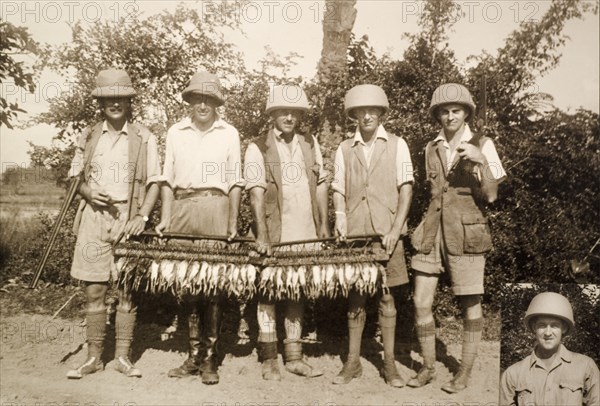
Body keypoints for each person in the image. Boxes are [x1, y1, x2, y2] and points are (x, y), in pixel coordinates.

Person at [408, 83, 506, 393]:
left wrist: (479, 159)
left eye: (456, 110)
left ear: (466, 113)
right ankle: (427, 366)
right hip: (432, 230)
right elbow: (435, 191)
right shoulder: (430, 147)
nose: (450, 116)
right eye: (445, 111)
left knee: (469, 302)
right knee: (421, 301)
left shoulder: (483, 144)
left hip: (466, 232)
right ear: (437, 115)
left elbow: (491, 195)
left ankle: (463, 371)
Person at [66, 69, 161, 379]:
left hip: (128, 218)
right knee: (94, 290)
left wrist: (141, 217)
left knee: (126, 290)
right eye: (109, 98)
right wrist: (88, 192)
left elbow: (156, 183)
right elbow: (74, 179)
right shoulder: (88, 135)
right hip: (93, 217)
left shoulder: (145, 137)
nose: (115, 103)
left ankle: (122, 357)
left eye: (121, 98)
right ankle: (93, 357)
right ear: (101, 102)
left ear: (129, 102)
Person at [157, 70, 244, 385]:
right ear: (189, 102)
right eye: (197, 98)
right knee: (188, 287)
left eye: (209, 99)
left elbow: (235, 182)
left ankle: (210, 360)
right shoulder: (175, 132)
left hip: (215, 208)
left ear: (217, 103)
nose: (203, 104)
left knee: (214, 287)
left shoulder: (229, 133)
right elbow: (167, 179)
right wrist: (166, 218)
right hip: (182, 208)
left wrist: (232, 223)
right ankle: (192, 356)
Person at [244, 84, 330, 380]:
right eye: (283, 111)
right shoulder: (259, 146)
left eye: (294, 112)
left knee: (296, 290)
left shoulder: (310, 142)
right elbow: (255, 194)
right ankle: (269, 358)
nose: (289, 117)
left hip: (304, 230)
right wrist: (262, 235)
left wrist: (323, 227)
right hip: (274, 231)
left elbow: (321, 185)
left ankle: (294, 355)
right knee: (268, 291)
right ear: (273, 114)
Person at [331, 84, 414, 388]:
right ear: (354, 115)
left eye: (372, 110)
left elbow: (407, 188)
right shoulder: (343, 148)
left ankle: (389, 364)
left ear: (381, 113)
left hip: (386, 234)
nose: (367, 116)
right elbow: (338, 188)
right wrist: (340, 218)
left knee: (388, 298)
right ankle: (352, 363)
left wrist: (395, 230)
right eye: (360, 111)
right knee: (356, 299)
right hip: (356, 234)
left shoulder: (398, 144)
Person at [500, 292, 600, 405]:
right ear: (534, 328)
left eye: (554, 326)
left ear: (564, 328)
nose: (548, 333)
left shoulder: (585, 367)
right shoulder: (513, 374)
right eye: (542, 325)